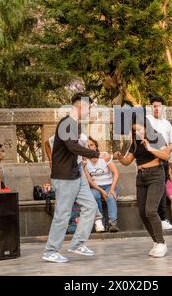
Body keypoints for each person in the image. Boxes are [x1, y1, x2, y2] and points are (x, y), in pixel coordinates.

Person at [42, 93, 111, 263]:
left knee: (91, 206)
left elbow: (75, 150)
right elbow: (72, 147)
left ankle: (77, 244)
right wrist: (97, 154)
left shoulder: (75, 125)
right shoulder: (66, 123)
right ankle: (51, 250)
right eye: (89, 106)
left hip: (77, 173)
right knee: (62, 214)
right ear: (81, 106)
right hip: (65, 176)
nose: (90, 110)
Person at [113, 113, 170, 258]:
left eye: (139, 129)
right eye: (134, 131)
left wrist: (150, 148)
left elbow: (166, 156)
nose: (137, 132)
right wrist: (120, 157)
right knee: (143, 214)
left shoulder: (157, 137)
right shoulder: (135, 143)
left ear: (146, 126)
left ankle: (162, 243)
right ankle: (156, 242)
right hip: (141, 177)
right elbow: (127, 162)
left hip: (156, 175)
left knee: (151, 211)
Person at [45, 133, 106, 232]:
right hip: (63, 172)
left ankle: (98, 220)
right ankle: (61, 227)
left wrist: (84, 161)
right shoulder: (60, 136)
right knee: (62, 200)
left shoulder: (83, 138)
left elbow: (83, 151)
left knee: (88, 196)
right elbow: (46, 144)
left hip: (77, 169)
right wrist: (51, 162)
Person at [146, 96, 172, 230]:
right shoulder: (147, 120)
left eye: (159, 106)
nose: (157, 108)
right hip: (150, 159)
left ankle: (163, 218)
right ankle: (153, 219)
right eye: (154, 106)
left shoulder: (166, 123)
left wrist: (166, 149)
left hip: (164, 159)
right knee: (152, 190)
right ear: (151, 107)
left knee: (162, 189)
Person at [84, 137, 120, 232]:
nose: (90, 147)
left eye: (91, 145)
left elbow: (116, 173)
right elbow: (90, 181)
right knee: (93, 195)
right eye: (87, 146)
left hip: (109, 185)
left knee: (110, 196)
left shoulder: (104, 156)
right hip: (96, 187)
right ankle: (100, 222)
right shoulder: (85, 161)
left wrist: (112, 189)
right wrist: (101, 191)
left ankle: (113, 223)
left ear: (95, 146)